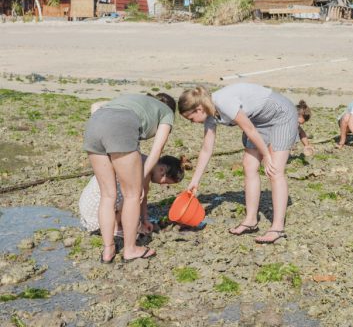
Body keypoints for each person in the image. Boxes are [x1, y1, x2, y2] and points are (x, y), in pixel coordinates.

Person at [178, 83, 298, 244]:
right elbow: (206, 149)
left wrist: (267, 156)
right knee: (249, 165)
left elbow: (249, 130)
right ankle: (250, 220)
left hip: (281, 114)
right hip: (258, 121)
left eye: (191, 119)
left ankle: (277, 227)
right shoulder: (210, 115)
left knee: (274, 170)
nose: (192, 123)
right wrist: (195, 180)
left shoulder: (223, 102)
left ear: (198, 109)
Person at [83, 92, 176, 263]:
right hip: (120, 128)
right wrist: (140, 179)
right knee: (132, 195)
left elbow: (97, 106)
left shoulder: (135, 100)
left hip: (94, 125)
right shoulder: (167, 113)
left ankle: (108, 249)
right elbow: (156, 152)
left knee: (108, 195)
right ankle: (130, 249)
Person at [79, 154, 187, 235]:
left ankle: (118, 222)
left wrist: (145, 219)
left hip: (88, 203)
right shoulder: (143, 169)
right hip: (96, 212)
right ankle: (116, 226)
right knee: (132, 195)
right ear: (161, 169)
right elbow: (137, 197)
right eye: (165, 182)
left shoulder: (146, 161)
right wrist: (139, 225)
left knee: (134, 194)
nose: (162, 185)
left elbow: (144, 196)